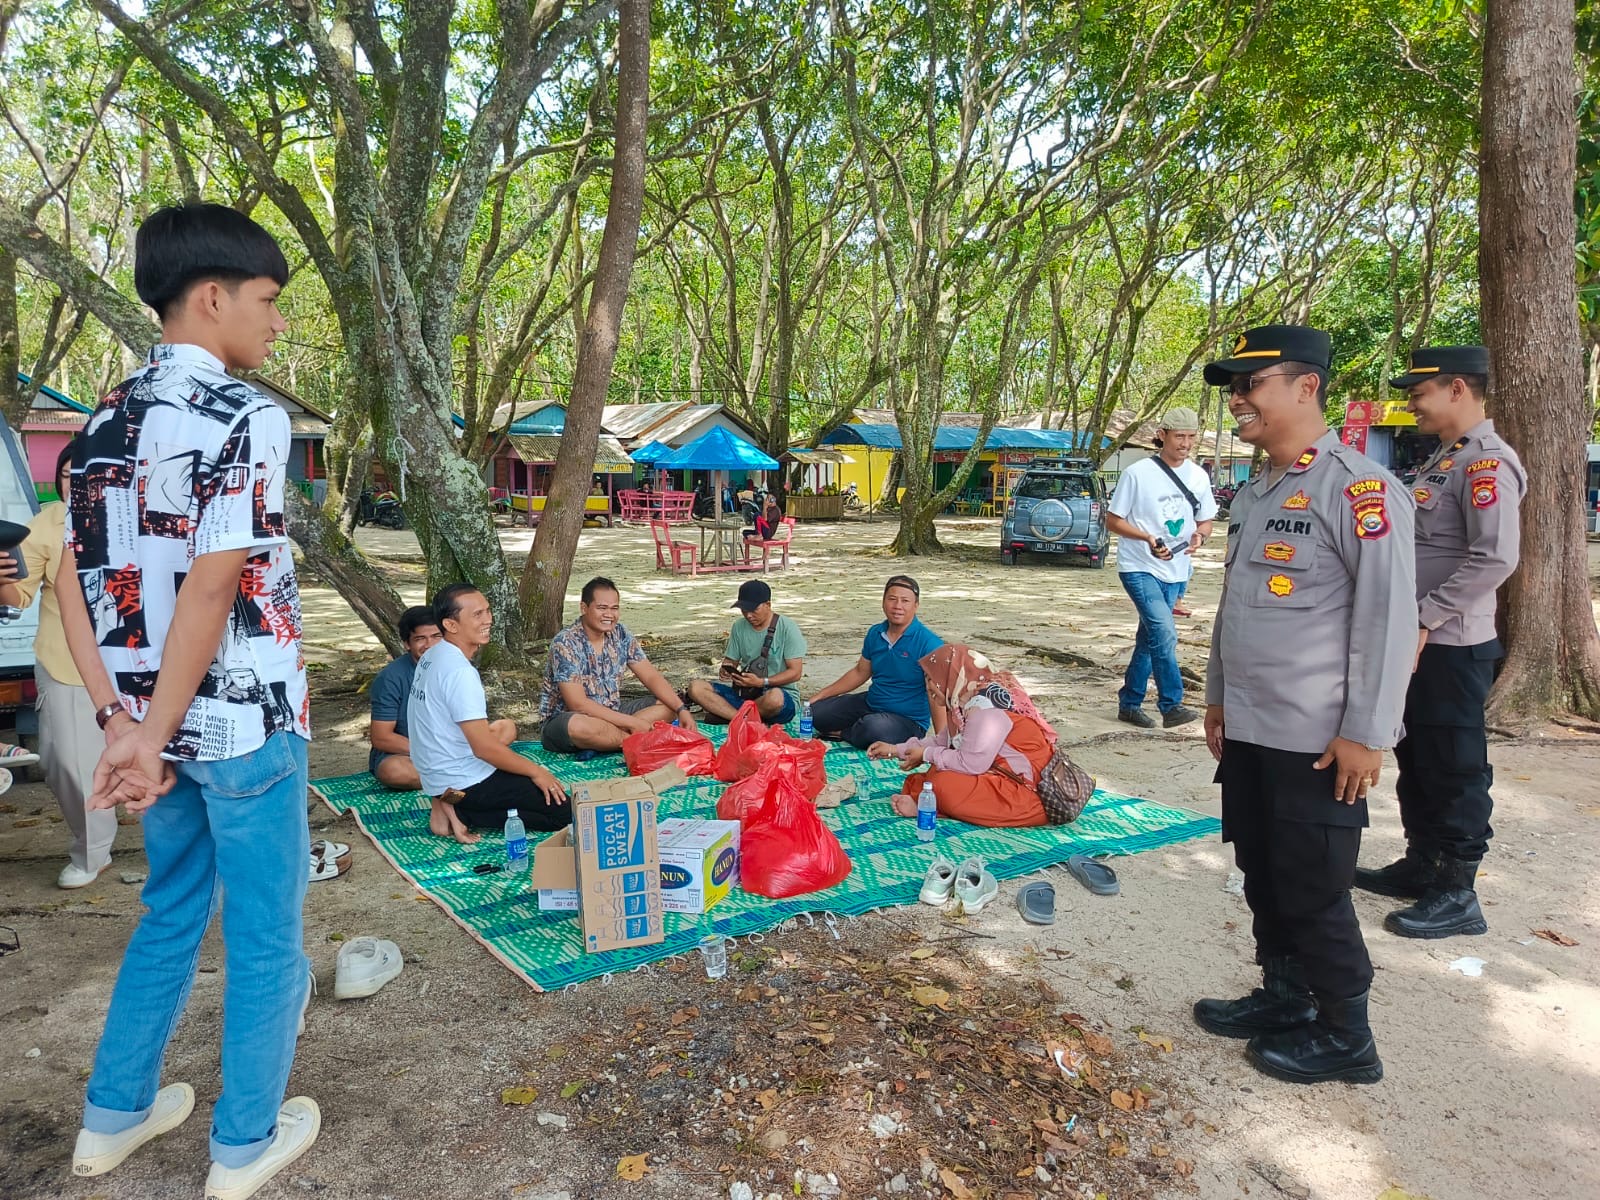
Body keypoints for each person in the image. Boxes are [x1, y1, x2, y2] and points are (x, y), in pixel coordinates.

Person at [56, 202, 320, 1193]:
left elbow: (71, 588)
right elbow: (215, 582)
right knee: (263, 936)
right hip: (243, 727)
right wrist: (157, 728)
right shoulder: (246, 416)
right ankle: (242, 1146)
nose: (275, 323)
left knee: (168, 910)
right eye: (268, 301)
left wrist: (125, 726)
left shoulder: (97, 423)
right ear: (212, 297)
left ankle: (110, 1119)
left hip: (149, 734)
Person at [1195, 325, 1416, 1086]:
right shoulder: (1257, 491)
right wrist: (1218, 697)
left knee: (1315, 886)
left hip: (1317, 738)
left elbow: (1386, 620)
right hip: (1252, 730)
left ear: (1305, 387)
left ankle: (1348, 1036)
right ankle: (1285, 997)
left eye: (1251, 384)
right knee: (1261, 868)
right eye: (1234, 387)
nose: (1237, 400)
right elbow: (1237, 608)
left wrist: (1368, 733)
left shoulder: (1359, 490)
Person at [1354, 346, 1526, 938]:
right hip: (1422, 640)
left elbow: (1495, 557)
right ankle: (1421, 863)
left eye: (1418, 392)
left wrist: (1426, 618)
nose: (1411, 404)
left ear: (1457, 388)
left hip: (1453, 643)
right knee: (1418, 754)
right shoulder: (1446, 460)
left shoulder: (1487, 465)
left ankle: (1458, 890)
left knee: (1453, 763)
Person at [0, 439, 119, 888]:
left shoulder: (137, 519)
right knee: (65, 761)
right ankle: (92, 853)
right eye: (70, 477)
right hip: (65, 661)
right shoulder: (46, 525)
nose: (79, 485)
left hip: (137, 664)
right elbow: (19, 594)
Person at [409, 583, 569, 842]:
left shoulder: (433, 655)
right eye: (477, 615)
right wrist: (537, 771)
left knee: (503, 729)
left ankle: (445, 801)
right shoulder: (459, 672)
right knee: (566, 813)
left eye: (487, 611)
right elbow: (483, 749)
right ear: (451, 625)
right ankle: (464, 813)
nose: (488, 620)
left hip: (434, 775)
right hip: (462, 778)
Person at [1105, 406, 1216, 729]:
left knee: (1150, 638)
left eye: (1191, 437)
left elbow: (1206, 520)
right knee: (1164, 633)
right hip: (1139, 566)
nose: (1185, 443)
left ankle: (1130, 702)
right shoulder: (1138, 473)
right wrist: (1147, 538)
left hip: (1177, 568)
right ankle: (1171, 704)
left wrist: (1200, 536)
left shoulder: (1198, 475)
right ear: (1162, 435)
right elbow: (1113, 520)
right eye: (1179, 436)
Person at [868, 644, 1056, 828]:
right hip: (1002, 778)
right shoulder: (964, 703)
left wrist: (926, 754)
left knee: (941, 783)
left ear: (951, 677)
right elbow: (942, 742)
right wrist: (895, 750)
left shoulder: (984, 709)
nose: (928, 687)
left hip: (1031, 795)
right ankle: (929, 803)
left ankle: (930, 806)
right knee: (935, 774)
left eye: (932, 678)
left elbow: (971, 763)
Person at [539, 576, 696, 754]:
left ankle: (610, 740)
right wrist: (633, 723)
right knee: (579, 726)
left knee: (668, 704)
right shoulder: (565, 642)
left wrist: (681, 709)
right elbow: (578, 704)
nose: (609, 615)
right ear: (584, 608)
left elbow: (651, 676)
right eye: (602, 608)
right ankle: (635, 739)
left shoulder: (620, 633)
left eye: (614, 608)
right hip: (568, 720)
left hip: (613, 712)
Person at [808, 575, 946, 748]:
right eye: (892, 599)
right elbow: (860, 672)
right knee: (815, 713)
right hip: (872, 703)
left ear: (916, 605)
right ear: (883, 602)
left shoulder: (929, 643)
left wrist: (942, 741)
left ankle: (844, 733)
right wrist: (822, 695)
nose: (898, 607)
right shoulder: (876, 633)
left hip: (908, 720)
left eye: (905, 601)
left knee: (872, 728)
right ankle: (857, 728)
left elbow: (937, 696)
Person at [368, 606, 487, 790]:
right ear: (407, 644)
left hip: (455, 748)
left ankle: (456, 776)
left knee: (506, 728)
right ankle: (461, 781)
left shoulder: (455, 666)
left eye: (436, 637)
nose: (430, 645)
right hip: (408, 754)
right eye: (420, 639)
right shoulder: (390, 678)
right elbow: (382, 738)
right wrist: (435, 752)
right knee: (394, 771)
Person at [685, 580, 806, 723]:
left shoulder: (787, 628)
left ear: (768, 605)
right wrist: (727, 669)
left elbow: (796, 673)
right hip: (745, 694)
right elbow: (731, 660)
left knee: (775, 698)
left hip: (778, 695)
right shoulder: (739, 626)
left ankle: (729, 715)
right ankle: (743, 719)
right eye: (744, 610)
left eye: (753, 610)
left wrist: (762, 682)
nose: (748, 615)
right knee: (696, 687)